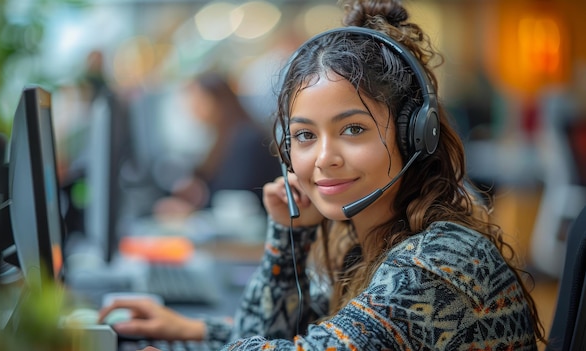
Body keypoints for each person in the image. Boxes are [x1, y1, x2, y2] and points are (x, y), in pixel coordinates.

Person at [99, 0, 546, 349]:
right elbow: (275, 335)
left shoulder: (437, 261)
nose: (323, 158)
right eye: (306, 136)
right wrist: (287, 237)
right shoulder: (358, 242)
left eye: (353, 129)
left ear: (415, 135)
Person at [153, 71, 281, 218]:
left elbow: (236, 195)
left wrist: (195, 210)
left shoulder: (247, 139)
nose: (191, 108)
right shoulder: (220, 138)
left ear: (217, 100)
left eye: (198, 100)